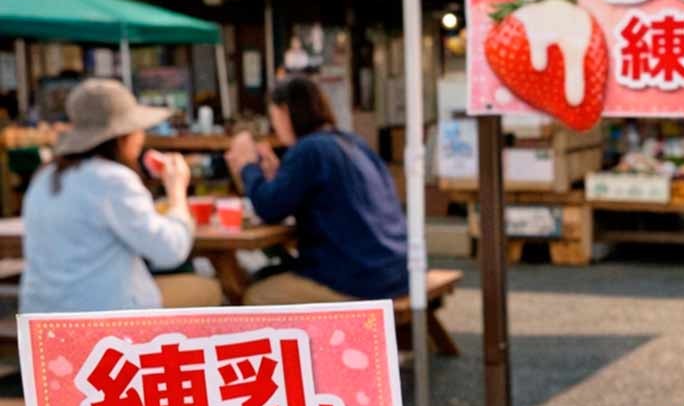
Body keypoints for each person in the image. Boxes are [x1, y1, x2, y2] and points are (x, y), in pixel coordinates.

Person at [19, 79, 221, 313]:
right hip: (103, 314)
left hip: (43, 314)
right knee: (209, 289)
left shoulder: (46, 175)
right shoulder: (113, 179)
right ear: (122, 135)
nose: (142, 136)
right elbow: (171, 251)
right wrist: (177, 192)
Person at [225, 76, 409, 305]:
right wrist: (277, 176)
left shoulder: (309, 149)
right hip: (395, 271)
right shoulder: (351, 142)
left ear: (284, 112)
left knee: (253, 297)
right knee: (267, 275)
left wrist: (247, 165)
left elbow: (269, 207)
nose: (275, 127)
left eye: (274, 118)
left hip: (360, 281)